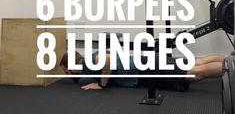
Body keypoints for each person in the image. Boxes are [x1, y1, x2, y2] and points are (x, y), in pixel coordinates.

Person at [60, 51, 224, 91]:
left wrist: (101, 85)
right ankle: (229, 60)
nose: (67, 75)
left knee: (195, 74)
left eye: (66, 71)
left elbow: (107, 59)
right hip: (145, 62)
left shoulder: (86, 64)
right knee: (196, 63)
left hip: (144, 68)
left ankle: (230, 67)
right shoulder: (88, 60)